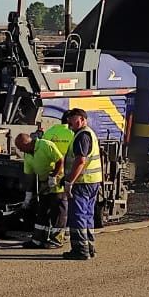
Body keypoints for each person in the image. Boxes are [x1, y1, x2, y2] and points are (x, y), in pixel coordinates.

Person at [61, 107, 101, 260]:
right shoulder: (89, 133)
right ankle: (89, 247)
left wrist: (70, 181)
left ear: (83, 119)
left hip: (82, 182)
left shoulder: (82, 136)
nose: (71, 122)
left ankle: (80, 250)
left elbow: (80, 160)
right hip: (92, 182)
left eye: (74, 119)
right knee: (87, 216)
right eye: (70, 120)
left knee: (77, 215)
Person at [15, 131, 65, 248]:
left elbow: (60, 160)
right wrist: (28, 196)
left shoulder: (45, 145)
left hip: (57, 184)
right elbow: (30, 176)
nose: (20, 151)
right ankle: (38, 239)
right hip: (44, 185)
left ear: (27, 143)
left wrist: (53, 177)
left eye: (21, 147)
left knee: (58, 212)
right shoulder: (27, 155)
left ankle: (56, 240)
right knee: (42, 212)